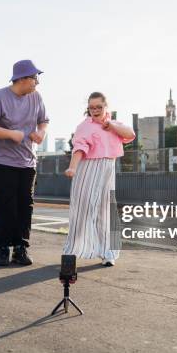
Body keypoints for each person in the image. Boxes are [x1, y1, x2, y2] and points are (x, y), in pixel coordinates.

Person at [0, 60, 49, 266]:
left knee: (25, 207)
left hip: (27, 162)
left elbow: (44, 119)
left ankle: (20, 248)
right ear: (23, 79)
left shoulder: (36, 97)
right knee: (5, 206)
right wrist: (10, 134)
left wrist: (41, 132)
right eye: (35, 78)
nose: (37, 83)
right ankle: (2, 248)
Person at [63, 92, 135, 266]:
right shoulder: (84, 127)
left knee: (106, 210)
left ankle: (107, 253)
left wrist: (110, 126)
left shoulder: (114, 125)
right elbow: (79, 148)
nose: (95, 110)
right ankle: (72, 250)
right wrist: (72, 167)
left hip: (107, 170)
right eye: (91, 107)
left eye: (99, 107)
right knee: (84, 209)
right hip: (88, 169)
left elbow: (130, 134)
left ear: (106, 107)